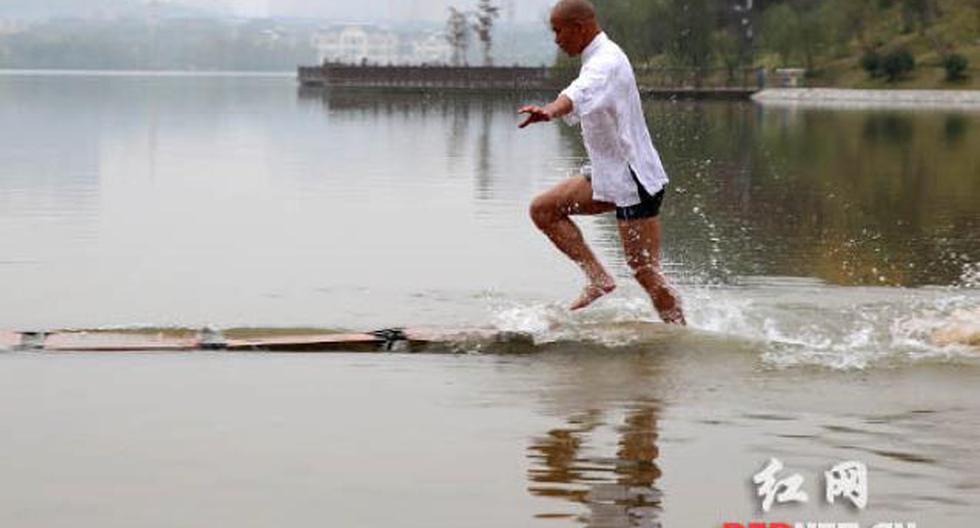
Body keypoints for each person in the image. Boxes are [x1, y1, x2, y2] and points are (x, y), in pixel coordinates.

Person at [518, 0, 685, 325]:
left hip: (635, 180)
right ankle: (598, 279)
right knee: (544, 210)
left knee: (645, 271)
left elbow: (581, 91)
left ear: (579, 28)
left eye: (558, 31)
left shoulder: (606, 61)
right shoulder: (597, 57)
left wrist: (551, 110)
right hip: (609, 176)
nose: (556, 40)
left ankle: (680, 334)